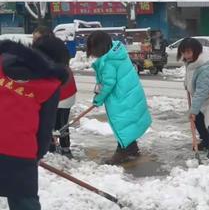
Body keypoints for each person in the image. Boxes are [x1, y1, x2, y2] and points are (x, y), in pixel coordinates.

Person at [0, 39, 68, 210]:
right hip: (19, 152)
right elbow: (44, 128)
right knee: (24, 203)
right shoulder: (50, 84)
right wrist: (37, 155)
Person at [86, 31, 152, 164]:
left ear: (99, 47)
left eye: (92, 49)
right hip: (129, 94)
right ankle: (132, 149)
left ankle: (122, 153)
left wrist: (98, 99)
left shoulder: (108, 62)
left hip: (121, 98)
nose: (91, 52)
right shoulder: (117, 53)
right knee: (127, 123)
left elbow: (108, 84)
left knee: (121, 124)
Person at [33, 35, 77, 159]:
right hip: (67, 98)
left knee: (51, 124)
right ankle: (65, 148)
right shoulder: (61, 62)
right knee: (62, 124)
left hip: (60, 99)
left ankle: (52, 147)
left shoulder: (48, 67)